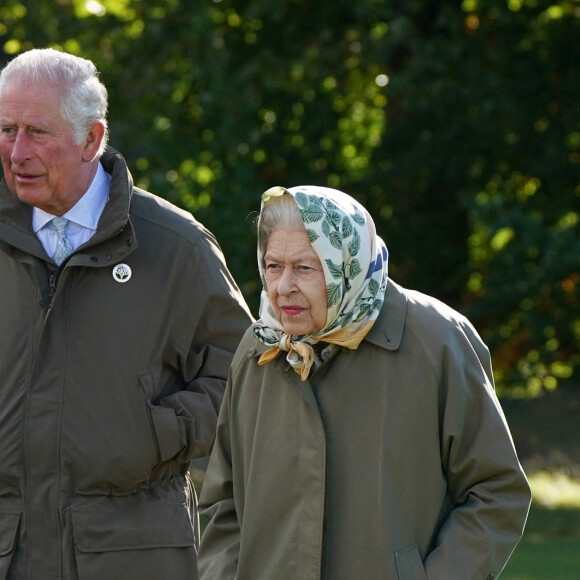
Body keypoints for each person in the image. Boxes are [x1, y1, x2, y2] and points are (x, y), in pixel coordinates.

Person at [0, 48, 253, 579]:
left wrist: (153, 434)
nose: (16, 151)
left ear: (92, 139)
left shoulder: (174, 245)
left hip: (131, 553)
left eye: (37, 132)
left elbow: (244, 369)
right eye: (6, 129)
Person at [198, 185, 532, 580]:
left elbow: (495, 492)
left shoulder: (438, 341)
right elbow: (225, 505)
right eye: (273, 266)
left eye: (305, 268)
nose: (282, 287)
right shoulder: (258, 349)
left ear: (347, 264)